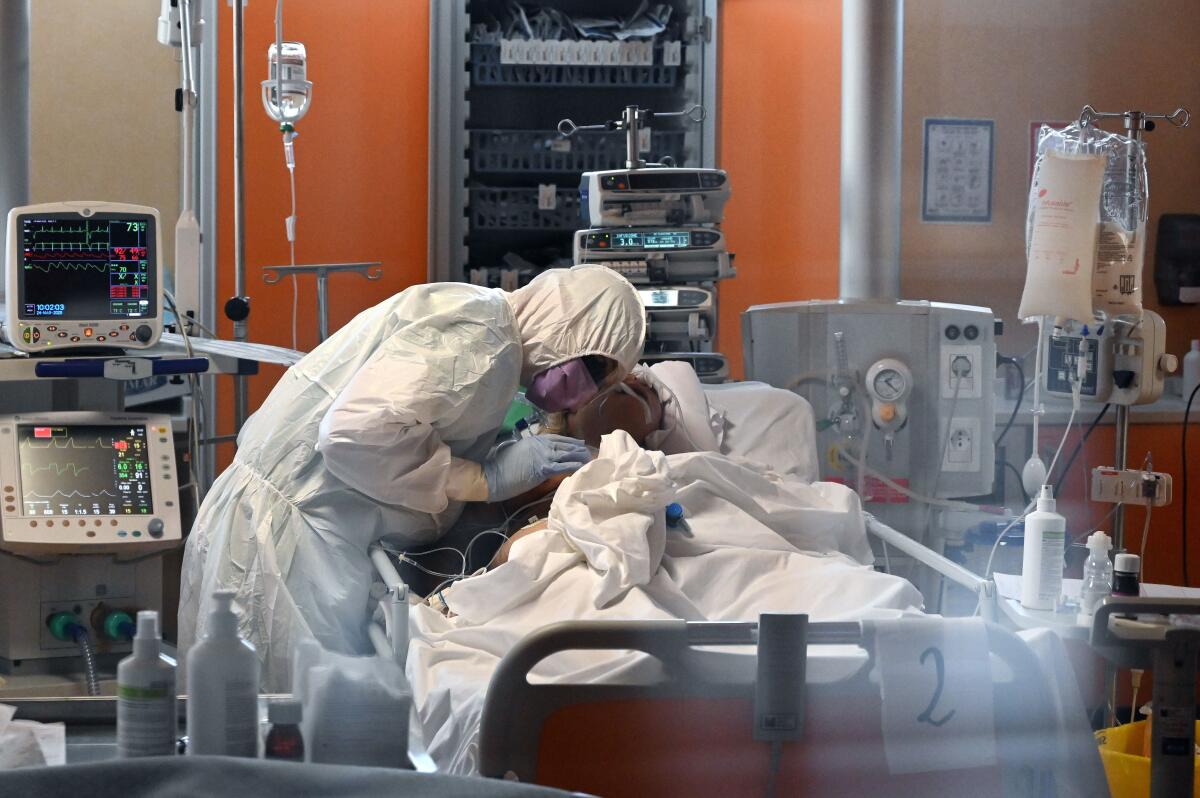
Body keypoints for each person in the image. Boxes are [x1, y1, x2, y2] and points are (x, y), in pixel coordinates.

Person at [178, 266, 646, 689]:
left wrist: (487, 465)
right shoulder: (481, 334)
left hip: (290, 523)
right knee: (281, 737)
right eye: (593, 368)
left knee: (259, 730)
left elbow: (409, 422)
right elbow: (354, 434)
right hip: (286, 541)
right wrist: (483, 479)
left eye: (605, 385)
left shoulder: (487, 336)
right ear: (567, 322)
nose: (585, 394)